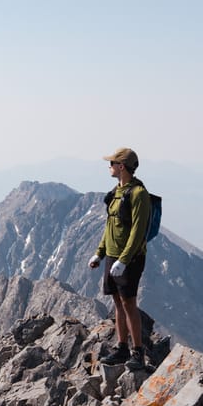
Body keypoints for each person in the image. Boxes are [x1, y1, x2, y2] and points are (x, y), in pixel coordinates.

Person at [88, 147, 152, 370]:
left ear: (121, 166)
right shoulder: (116, 192)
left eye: (112, 163)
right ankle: (122, 347)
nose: (109, 166)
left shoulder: (138, 194)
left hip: (130, 259)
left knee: (129, 303)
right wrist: (100, 252)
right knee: (117, 301)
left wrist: (124, 259)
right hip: (113, 257)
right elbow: (110, 226)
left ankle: (137, 352)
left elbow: (138, 230)